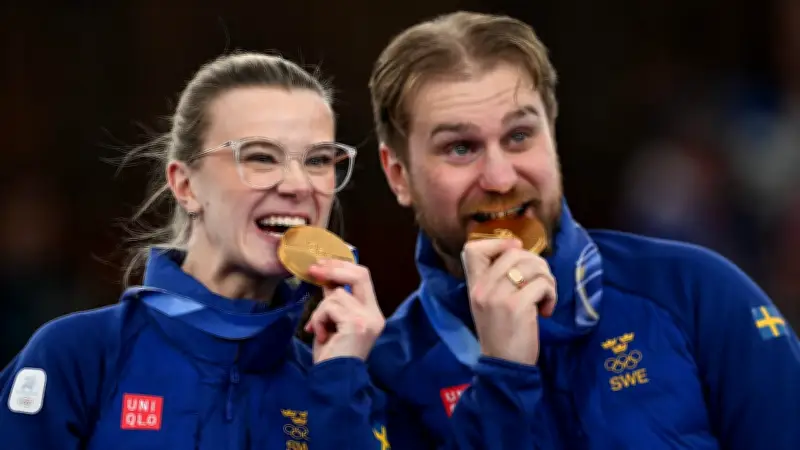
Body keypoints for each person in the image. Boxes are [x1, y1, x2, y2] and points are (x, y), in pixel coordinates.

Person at [367, 11, 800, 449]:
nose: (499, 178)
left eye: (519, 136)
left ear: (551, 136)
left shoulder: (693, 291)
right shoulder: (383, 379)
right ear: (399, 174)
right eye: (460, 148)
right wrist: (503, 377)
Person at [0, 52, 390, 450]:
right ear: (186, 186)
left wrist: (340, 387)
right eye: (260, 156)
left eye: (318, 160)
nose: (298, 184)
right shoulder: (78, 356)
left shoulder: (338, 387)